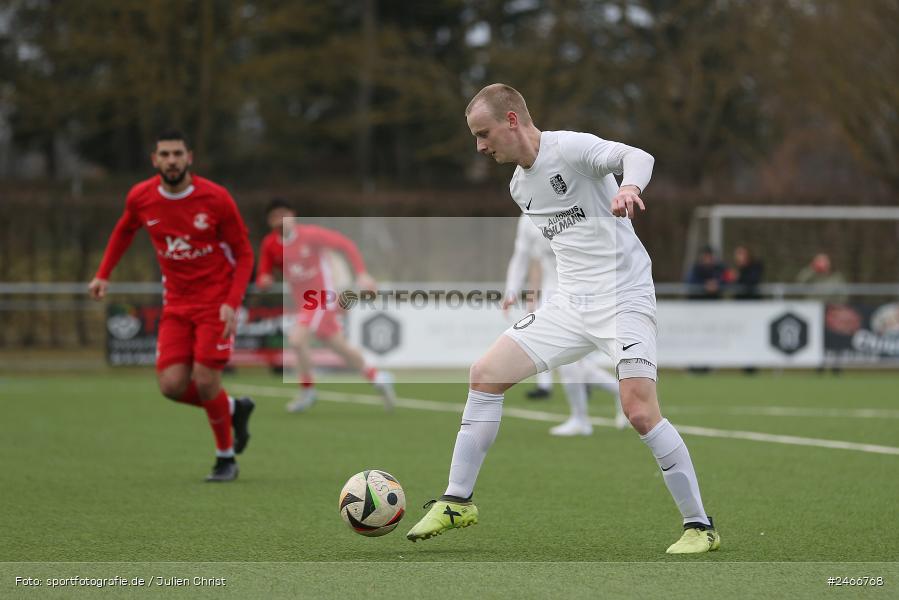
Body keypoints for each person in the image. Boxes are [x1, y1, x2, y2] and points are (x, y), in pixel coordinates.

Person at [405, 84, 719, 554]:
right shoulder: (519, 187)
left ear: (512, 120)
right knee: (485, 375)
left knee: (638, 411)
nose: (480, 146)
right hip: (569, 305)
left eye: (483, 133)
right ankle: (457, 501)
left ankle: (700, 526)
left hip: (624, 297)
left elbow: (638, 156)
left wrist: (629, 186)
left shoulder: (570, 149)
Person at [88, 130, 256, 483]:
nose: (172, 161)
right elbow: (124, 230)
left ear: (189, 157)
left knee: (206, 380)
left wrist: (232, 302)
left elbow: (244, 254)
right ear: (155, 160)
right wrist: (103, 273)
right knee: (171, 386)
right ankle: (232, 408)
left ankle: (225, 458)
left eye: (178, 154)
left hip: (215, 302)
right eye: (164, 154)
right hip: (176, 304)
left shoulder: (216, 198)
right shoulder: (141, 196)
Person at [256, 199, 396, 412]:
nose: (280, 220)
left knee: (296, 340)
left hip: (322, 297)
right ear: (269, 221)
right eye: (275, 216)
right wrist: (263, 280)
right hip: (304, 304)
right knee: (340, 347)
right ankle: (378, 377)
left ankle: (307, 390)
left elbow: (346, 245)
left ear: (293, 215)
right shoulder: (270, 244)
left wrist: (361, 273)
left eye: (284, 214)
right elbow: (264, 273)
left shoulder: (311, 235)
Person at [503, 214, 627, 435]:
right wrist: (511, 290)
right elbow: (521, 256)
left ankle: (584, 417)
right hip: (552, 298)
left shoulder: (572, 207)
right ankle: (609, 398)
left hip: (584, 294)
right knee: (567, 362)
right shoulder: (527, 220)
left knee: (571, 362)